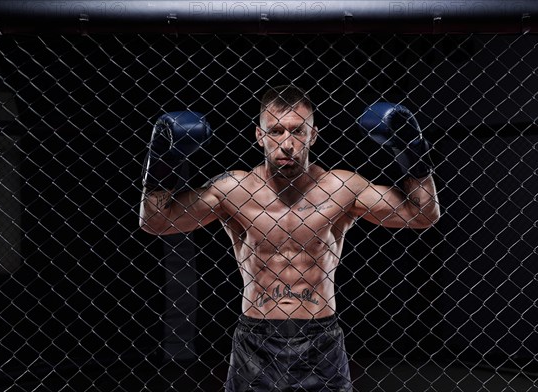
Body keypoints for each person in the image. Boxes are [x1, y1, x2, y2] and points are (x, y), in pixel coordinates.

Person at [139, 85, 440, 391]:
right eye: (276, 131)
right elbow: (156, 222)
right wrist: (164, 161)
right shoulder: (234, 189)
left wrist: (411, 151)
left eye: (298, 131)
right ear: (260, 136)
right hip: (256, 339)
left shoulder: (341, 188)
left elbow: (422, 215)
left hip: (321, 339)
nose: (287, 143)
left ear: (314, 135)